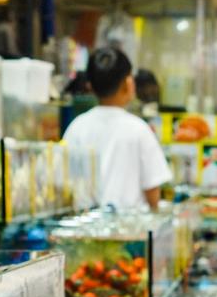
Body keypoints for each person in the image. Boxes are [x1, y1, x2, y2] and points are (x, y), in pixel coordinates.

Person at [63, 45, 171, 210]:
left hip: (84, 227)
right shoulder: (139, 129)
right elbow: (152, 189)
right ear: (128, 83)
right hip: (130, 231)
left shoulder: (76, 127)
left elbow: (63, 183)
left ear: (90, 86)